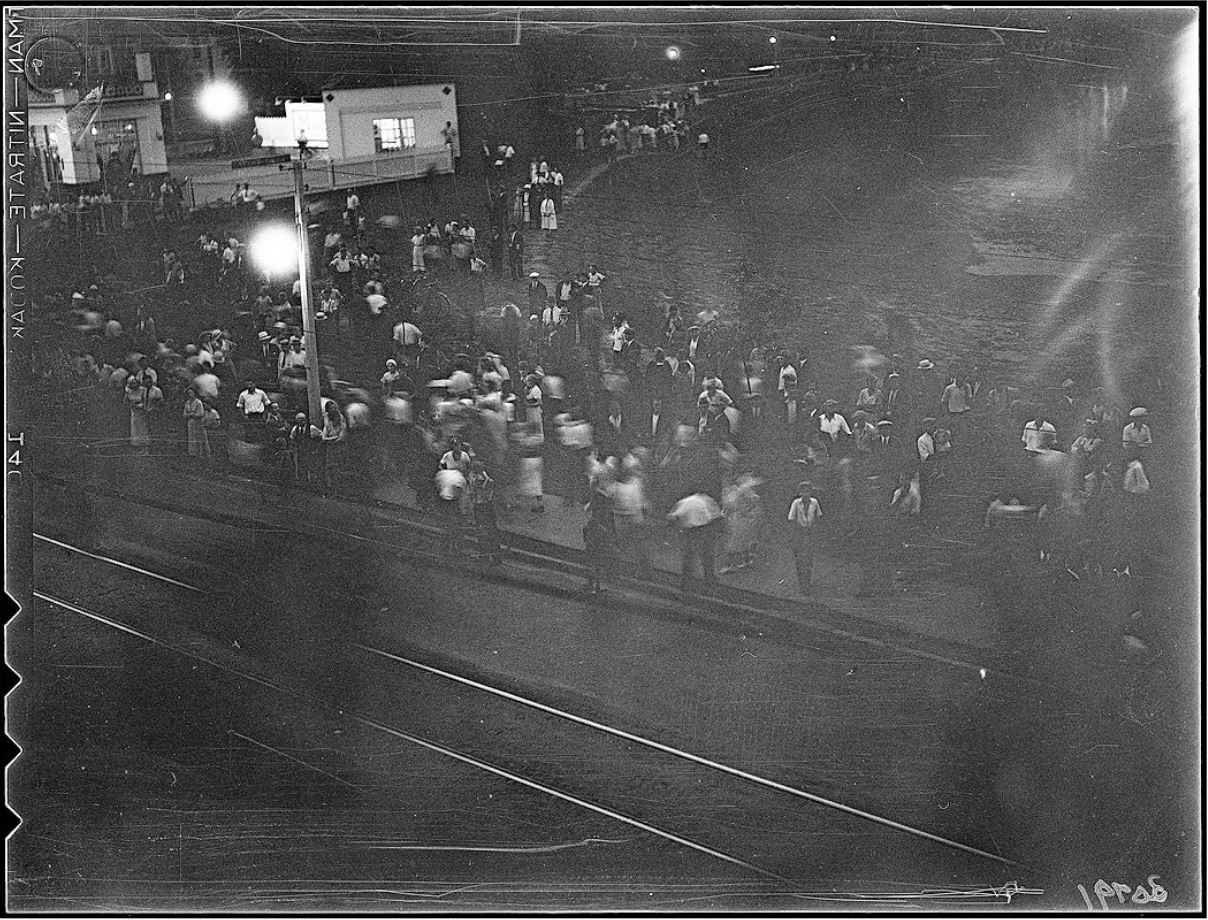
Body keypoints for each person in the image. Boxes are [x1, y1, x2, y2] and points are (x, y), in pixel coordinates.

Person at [668, 491, 723, 588]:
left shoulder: (684, 503)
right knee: (707, 555)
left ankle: (686, 582)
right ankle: (710, 580)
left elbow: (672, 517)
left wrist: (677, 529)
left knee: (688, 556)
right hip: (706, 528)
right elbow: (716, 516)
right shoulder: (706, 500)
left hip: (691, 531)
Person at [787, 481, 823, 596]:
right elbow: (792, 519)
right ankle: (802, 583)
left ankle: (807, 583)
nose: (806, 494)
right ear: (800, 492)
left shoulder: (815, 502)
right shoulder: (796, 503)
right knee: (800, 559)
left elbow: (818, 517)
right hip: (799, 533)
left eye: (808, 491)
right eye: (803, 491)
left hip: (810, 533)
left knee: (809, 559)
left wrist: (814, 530)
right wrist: (797, 533)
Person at [469, 461, 502, 565]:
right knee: (492, 531)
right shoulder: (486, 478)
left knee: (482, 532)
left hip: (481, 507)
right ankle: (495, 556)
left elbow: (476, 489)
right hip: (488, 506)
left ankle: (484, 556)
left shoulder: (478, 480)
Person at [183, 388, 210, 460]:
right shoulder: (187, 403)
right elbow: (185, 414)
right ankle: (192, 454)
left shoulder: (198, 402)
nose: (190, 395)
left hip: (197, 423)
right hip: (190, 423)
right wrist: (189, 415)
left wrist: (192, 414)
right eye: (188, 393)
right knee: (191, 438)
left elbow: (200, 414)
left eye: (191, 393)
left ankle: (201, 454)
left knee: (198, 438)